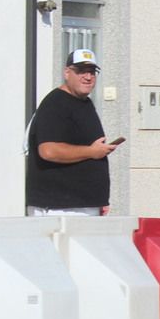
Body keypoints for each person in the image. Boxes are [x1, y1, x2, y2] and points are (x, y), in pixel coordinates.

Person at [25, 48, 121, 216]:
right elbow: (48, 151)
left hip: (82, 205)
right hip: (60, 207)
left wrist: (100, 200)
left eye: (92, 72)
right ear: (67, 73)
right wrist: (92, 152)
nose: (88, 77)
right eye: (81, 71)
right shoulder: (55, 104)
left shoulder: (84, 103)